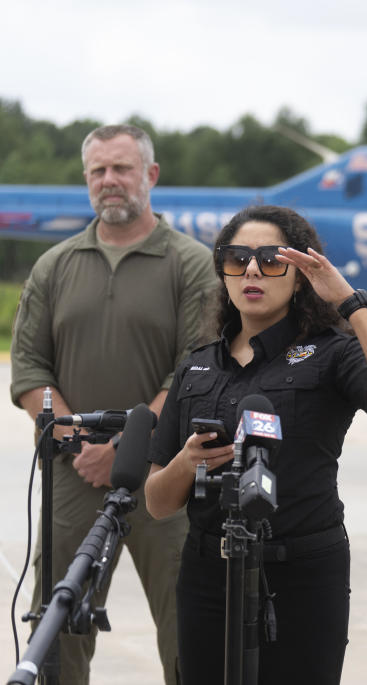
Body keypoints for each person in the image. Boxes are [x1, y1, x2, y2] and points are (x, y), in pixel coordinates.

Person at [144, 204, 367, 684]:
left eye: (273, 259)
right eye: (237, 259)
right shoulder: (195, 367)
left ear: (299, 277)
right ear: (224, 274)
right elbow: (156, 502)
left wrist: (348, 303)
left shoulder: (330, 353)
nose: (252, 269)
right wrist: (187, 462)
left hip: (303, 573)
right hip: (209, 572)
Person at [10, 124, 218, 684]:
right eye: (98, 170)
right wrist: (73, 436)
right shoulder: (55, 266)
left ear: (149, 175)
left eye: (122, 168)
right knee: (57, 628)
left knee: (189, 627)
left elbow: (194, 367)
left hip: (163, 476)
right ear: (86, 180)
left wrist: (129, 445)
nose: (110, 181)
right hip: (73, 477)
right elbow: (30, 368)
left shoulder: (191, 263)